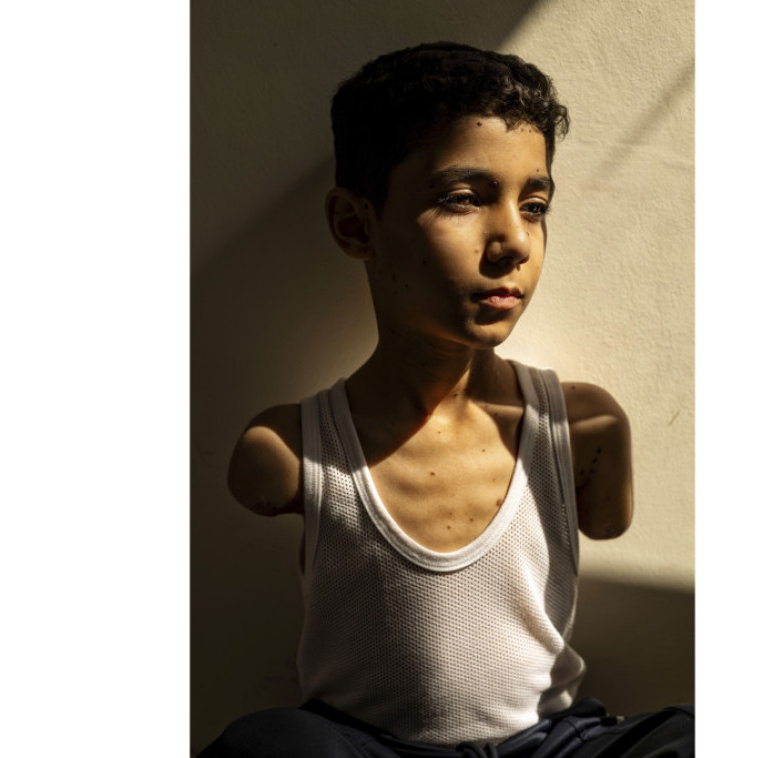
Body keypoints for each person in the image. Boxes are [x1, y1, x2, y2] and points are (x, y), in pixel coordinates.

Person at [202, 42, 693, 758]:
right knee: (268, 746)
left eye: (534, 205)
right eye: (463, 199)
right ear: (356, 225)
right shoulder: (289, 449)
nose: (513, 241)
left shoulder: (582, 429)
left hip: (550, 746)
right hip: (372, 748)